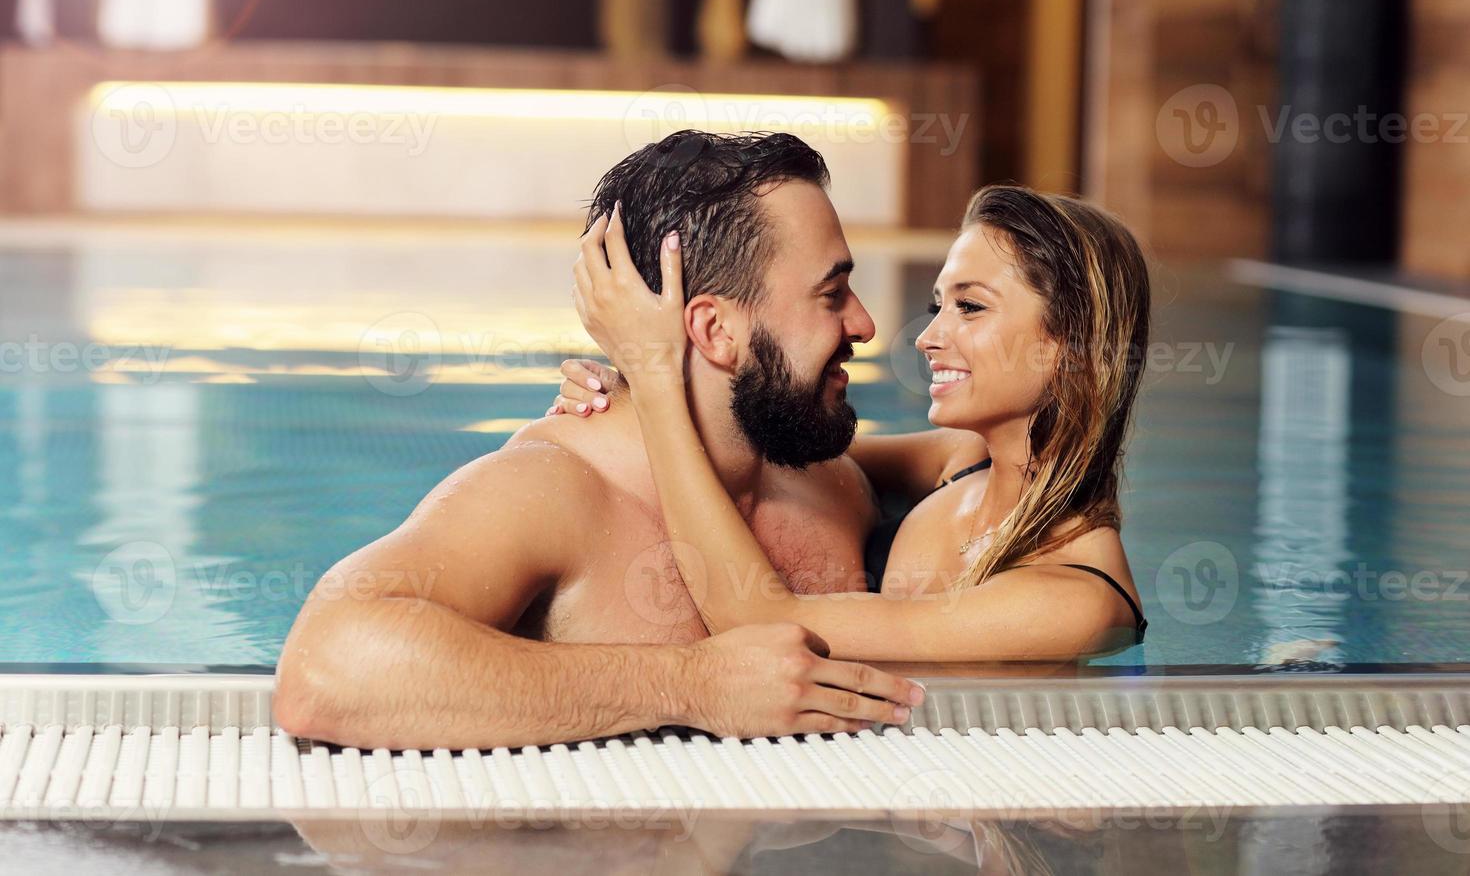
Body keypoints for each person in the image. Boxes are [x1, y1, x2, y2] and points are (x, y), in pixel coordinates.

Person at [273, 131, 924, 750]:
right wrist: (690, 684)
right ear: (716, 331)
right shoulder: (555, 490)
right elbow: (324, 670)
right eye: (832, 294)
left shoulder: (828, 479)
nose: (865, 323)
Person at [559, 183, 1151, 660]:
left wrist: (658, 378)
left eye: (969, 308)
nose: (927, 338)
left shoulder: (1076, 599)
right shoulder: (960, 462)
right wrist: (628, 395)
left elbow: (764, 625)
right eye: (936, 307)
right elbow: (756, 444)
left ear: (1071, 348)